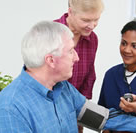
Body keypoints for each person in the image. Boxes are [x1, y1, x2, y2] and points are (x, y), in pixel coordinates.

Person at [0, 21, 136, 133]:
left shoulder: (64, 90)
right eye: (71, 51)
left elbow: (103, 118)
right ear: (51, 60)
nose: (77, 57)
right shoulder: (10, 109)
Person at [54, 1, 103, 131]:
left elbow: (89, 75)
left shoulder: (92, 39)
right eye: (86, 20)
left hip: (76, 112)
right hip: (50, 111)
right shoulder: (50, 33)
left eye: (96, 19)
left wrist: (80, 117)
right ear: (71, 12)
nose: (92, 26)